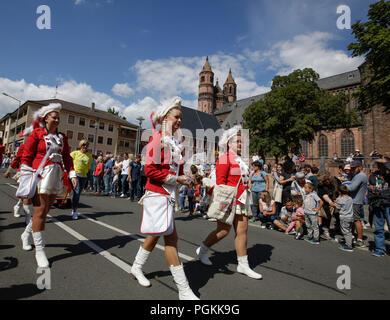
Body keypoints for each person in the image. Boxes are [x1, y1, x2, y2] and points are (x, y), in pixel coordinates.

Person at [129, 97, 198, 300]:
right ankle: (184, 290)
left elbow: (179, 171)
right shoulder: (157, 139)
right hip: (158, 195)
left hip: (168, 195)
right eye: (176, 116)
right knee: (171, 240)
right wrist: (178, 178)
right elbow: (149, 170)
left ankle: (136, 266)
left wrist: (188, 179)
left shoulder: (175, 143)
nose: (179, 121)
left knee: (156, 235)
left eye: (181, 118)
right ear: (165, 117)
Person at [196, 125, 262, 280]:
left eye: (241, 142)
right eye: (237, 142)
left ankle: (243, 264)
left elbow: (244, 179)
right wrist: (222, 203)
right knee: (223, 231)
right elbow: (220, 183)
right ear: (228, 143)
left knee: (242, 230)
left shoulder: (240, 159)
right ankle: (203, 250)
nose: (240, 144)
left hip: (241, 199)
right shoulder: (224, 159)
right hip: (228, 199)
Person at [20, 103, 77, 267]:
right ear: (46, 118)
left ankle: (26, 234)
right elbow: (26, 157)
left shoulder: (62, 138)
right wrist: (26, 176)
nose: (57, 120)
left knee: (45, 212)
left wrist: (72, 174)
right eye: (54, 117)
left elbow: (67, 157)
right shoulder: (36, 134)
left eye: (59, 117)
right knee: (39, 212)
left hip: (55, 176)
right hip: (40, 176)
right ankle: (40, 250)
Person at [368, 157, 390, 257]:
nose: (380, 166)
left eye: (382, 164)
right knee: (378, 228)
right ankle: (380, 248)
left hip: (388, 202)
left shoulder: (388, 174)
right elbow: (371, 187)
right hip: (377, 203)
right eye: (378, 164)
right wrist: (371, 189)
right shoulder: (373, 176)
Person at [346, 160, 368, 248]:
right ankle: (353, 236)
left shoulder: (361, 176)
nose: (352, 170)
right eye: (352, 168)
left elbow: (352, 188)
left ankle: (360, 239)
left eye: (354, 168)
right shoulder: (357, 175)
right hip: (355, 200)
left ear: (360, 167)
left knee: (356, 220)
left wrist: (343, 185)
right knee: (353, 220)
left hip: (356, 201)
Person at [70, 140, 92, 220]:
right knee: (77, 192)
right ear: (80, 145)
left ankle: (73, 207)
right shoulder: (75, 153)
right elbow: (68, 161)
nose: (85, 146)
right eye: (84, 145)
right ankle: (74, 211)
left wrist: (86, 173)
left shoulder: (89, 156)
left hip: (84, 176)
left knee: (78, 193)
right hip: (75, 175)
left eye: (86, 145)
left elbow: (89, 166)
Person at [331, 185, 354, 252]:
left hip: (344, 217)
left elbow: (338, 207)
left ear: (340, 192)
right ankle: (350, 241)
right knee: (349, 230)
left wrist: (334, 203)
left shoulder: (341, 200)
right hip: (350, 216)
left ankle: (348, 245)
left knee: (345, 231)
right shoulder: (350, 198)